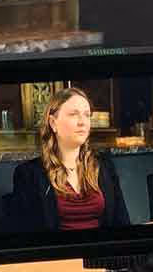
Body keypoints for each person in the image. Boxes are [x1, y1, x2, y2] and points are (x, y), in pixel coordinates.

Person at [9, 87, 131, 234]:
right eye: (74, 114)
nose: (82, 122)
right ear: (53, 123)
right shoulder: (28, 174)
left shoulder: (104, 166)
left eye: (87, 115)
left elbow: (123, 223)